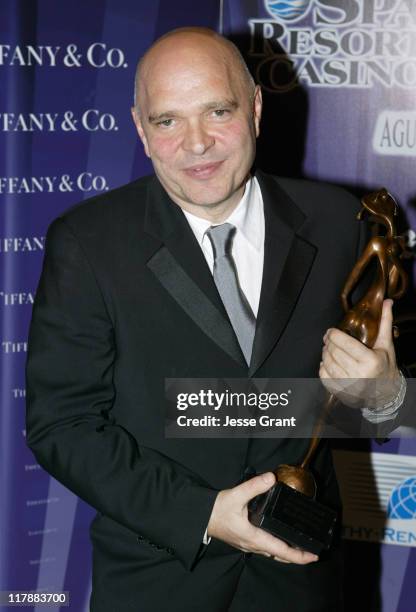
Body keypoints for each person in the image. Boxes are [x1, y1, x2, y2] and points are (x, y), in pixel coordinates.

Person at [26, 27, 405, 611]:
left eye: (218, 111)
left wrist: (382, 396)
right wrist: (200, 513)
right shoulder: (89, 243)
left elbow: (375, 409)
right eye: (167, 120)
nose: (196, 143)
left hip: (301, 581)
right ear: (139, 129)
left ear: (255, 108)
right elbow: (62, 425)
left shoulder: (340, 224)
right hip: (157, 582)